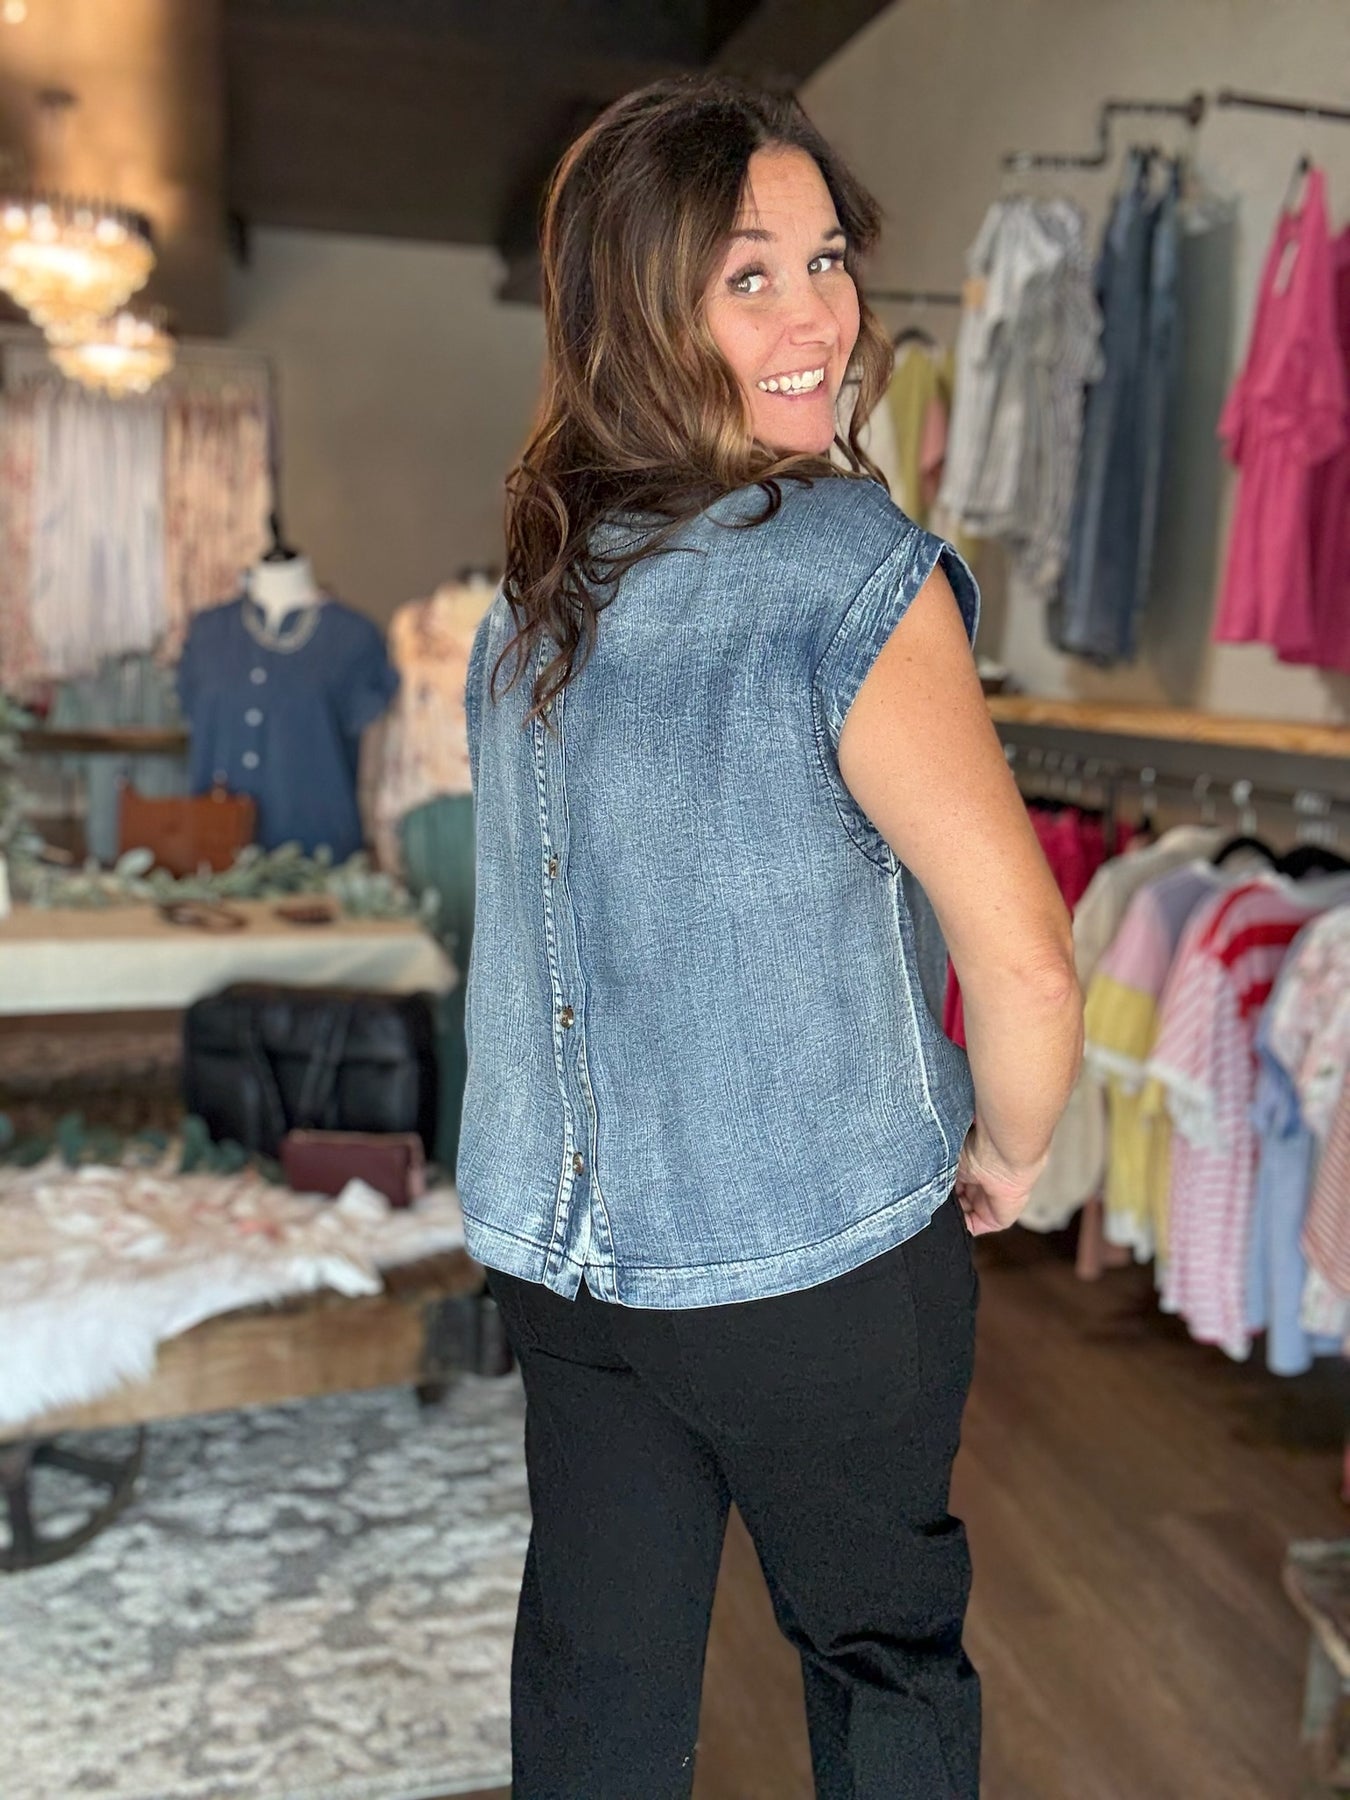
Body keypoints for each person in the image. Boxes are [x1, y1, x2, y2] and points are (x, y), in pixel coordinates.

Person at [457, 75, 1083, 1800]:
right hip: (817, 1264)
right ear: (635, 311)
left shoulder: (535, 593)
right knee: (881, 1664)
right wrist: (1013, 1147)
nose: (817, 317)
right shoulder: (843, 566)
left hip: (570, 1265)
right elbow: (1026, 958)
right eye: (747, 276)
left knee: (597, 1686)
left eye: (824, 260)